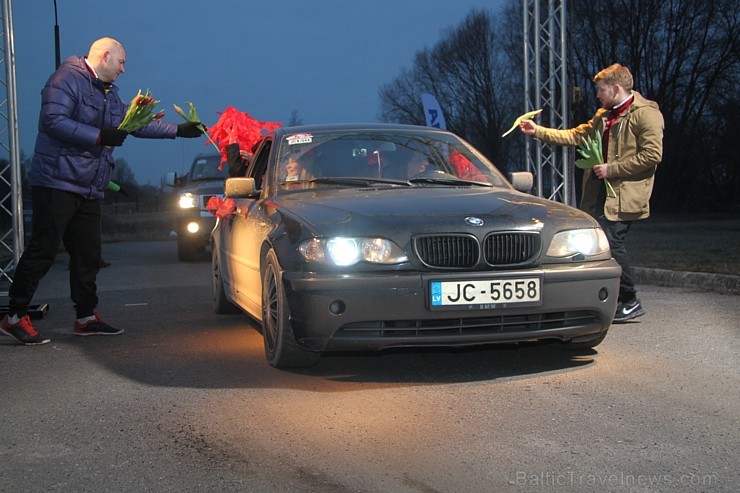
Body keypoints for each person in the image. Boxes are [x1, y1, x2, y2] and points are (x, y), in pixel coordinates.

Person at [0, 37, 204, 345]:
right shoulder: (66, 79)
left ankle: (85, 317)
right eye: (121, 62)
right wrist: (99, 136)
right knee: (44, 248)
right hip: (57, 182)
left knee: (88, 255)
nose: (123, 69)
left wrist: (178, 131)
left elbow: (132, 124)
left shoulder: (109, 93)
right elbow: (52, 121)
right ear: (105, 56)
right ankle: (14, 316)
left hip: (88, 186)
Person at [518, 63, 664, 323]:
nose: (598, 95)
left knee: (611, 241)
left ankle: (629, 300)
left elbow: (652, 156)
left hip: (625, 194)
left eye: (601, 89)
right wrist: (537, 131)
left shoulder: (646, 114)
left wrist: (613, 169)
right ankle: (597, 296)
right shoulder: (604, 116)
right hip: (599, 194)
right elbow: (576, 136)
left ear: (616, 88)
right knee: (596, 243)